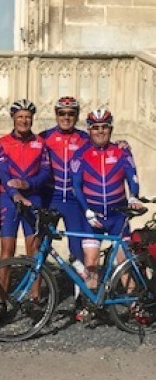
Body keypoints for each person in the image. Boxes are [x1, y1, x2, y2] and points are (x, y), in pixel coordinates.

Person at [71, 109, 143, 319]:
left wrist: (133, 197)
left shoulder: (122, 152)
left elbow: (132, 178)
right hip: (92, 218)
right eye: (96, 128)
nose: (100, 131)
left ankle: (134, 304)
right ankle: (92, 305)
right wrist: (86, 211)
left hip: (117, 216)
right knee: (91, 262)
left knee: (123, 262)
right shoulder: (80, 155)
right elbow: (76, 186)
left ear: (110, 129)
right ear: (89, 130)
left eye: (104, 127)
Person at [0, 99, 50, 317]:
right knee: (6, 251)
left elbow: (46, 173)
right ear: (13, 118)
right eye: (20, 117)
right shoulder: (2, 143)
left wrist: (28, 185)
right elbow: (3, 173)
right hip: (9, 200)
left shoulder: (41, 143)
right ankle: (1, 300)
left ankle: (35, 298)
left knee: (33, 250)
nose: (24, 121)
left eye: (28, 117)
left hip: (33, 197)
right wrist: (15, 194)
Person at [39, 97, 89, 266]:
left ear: (77, 115)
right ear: (56, 114)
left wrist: (121, 144)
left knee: (77, 247)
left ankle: (79, 283)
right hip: (51, 198)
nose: (66, 117)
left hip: (74, 200)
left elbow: (104, 147)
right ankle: (37, 283)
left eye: (71, 114)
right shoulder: (44, 137)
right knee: (42, 245)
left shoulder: (85, 139)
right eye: (62, 113)